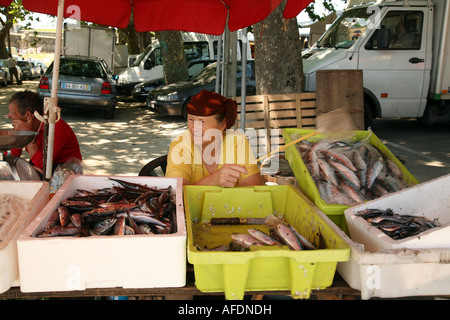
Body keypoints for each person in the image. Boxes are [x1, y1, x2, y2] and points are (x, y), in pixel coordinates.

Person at [165, 90, 263, 187]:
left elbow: (253, 188)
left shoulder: (237, 141)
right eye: (191, 119)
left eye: (202, 121)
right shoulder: (180, 143)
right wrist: (212, 180)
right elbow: (175, 193)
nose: (194, 128)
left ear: (222, 125)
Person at [7, 90, 82, 178]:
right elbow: (12, 155)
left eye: (12, 112)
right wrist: (26, 167)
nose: (8, 115)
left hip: (66, 168)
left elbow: (43, 163)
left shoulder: (55, 126)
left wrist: (28, 134)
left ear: (27, 115)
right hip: (40, 162)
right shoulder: (22, 126)